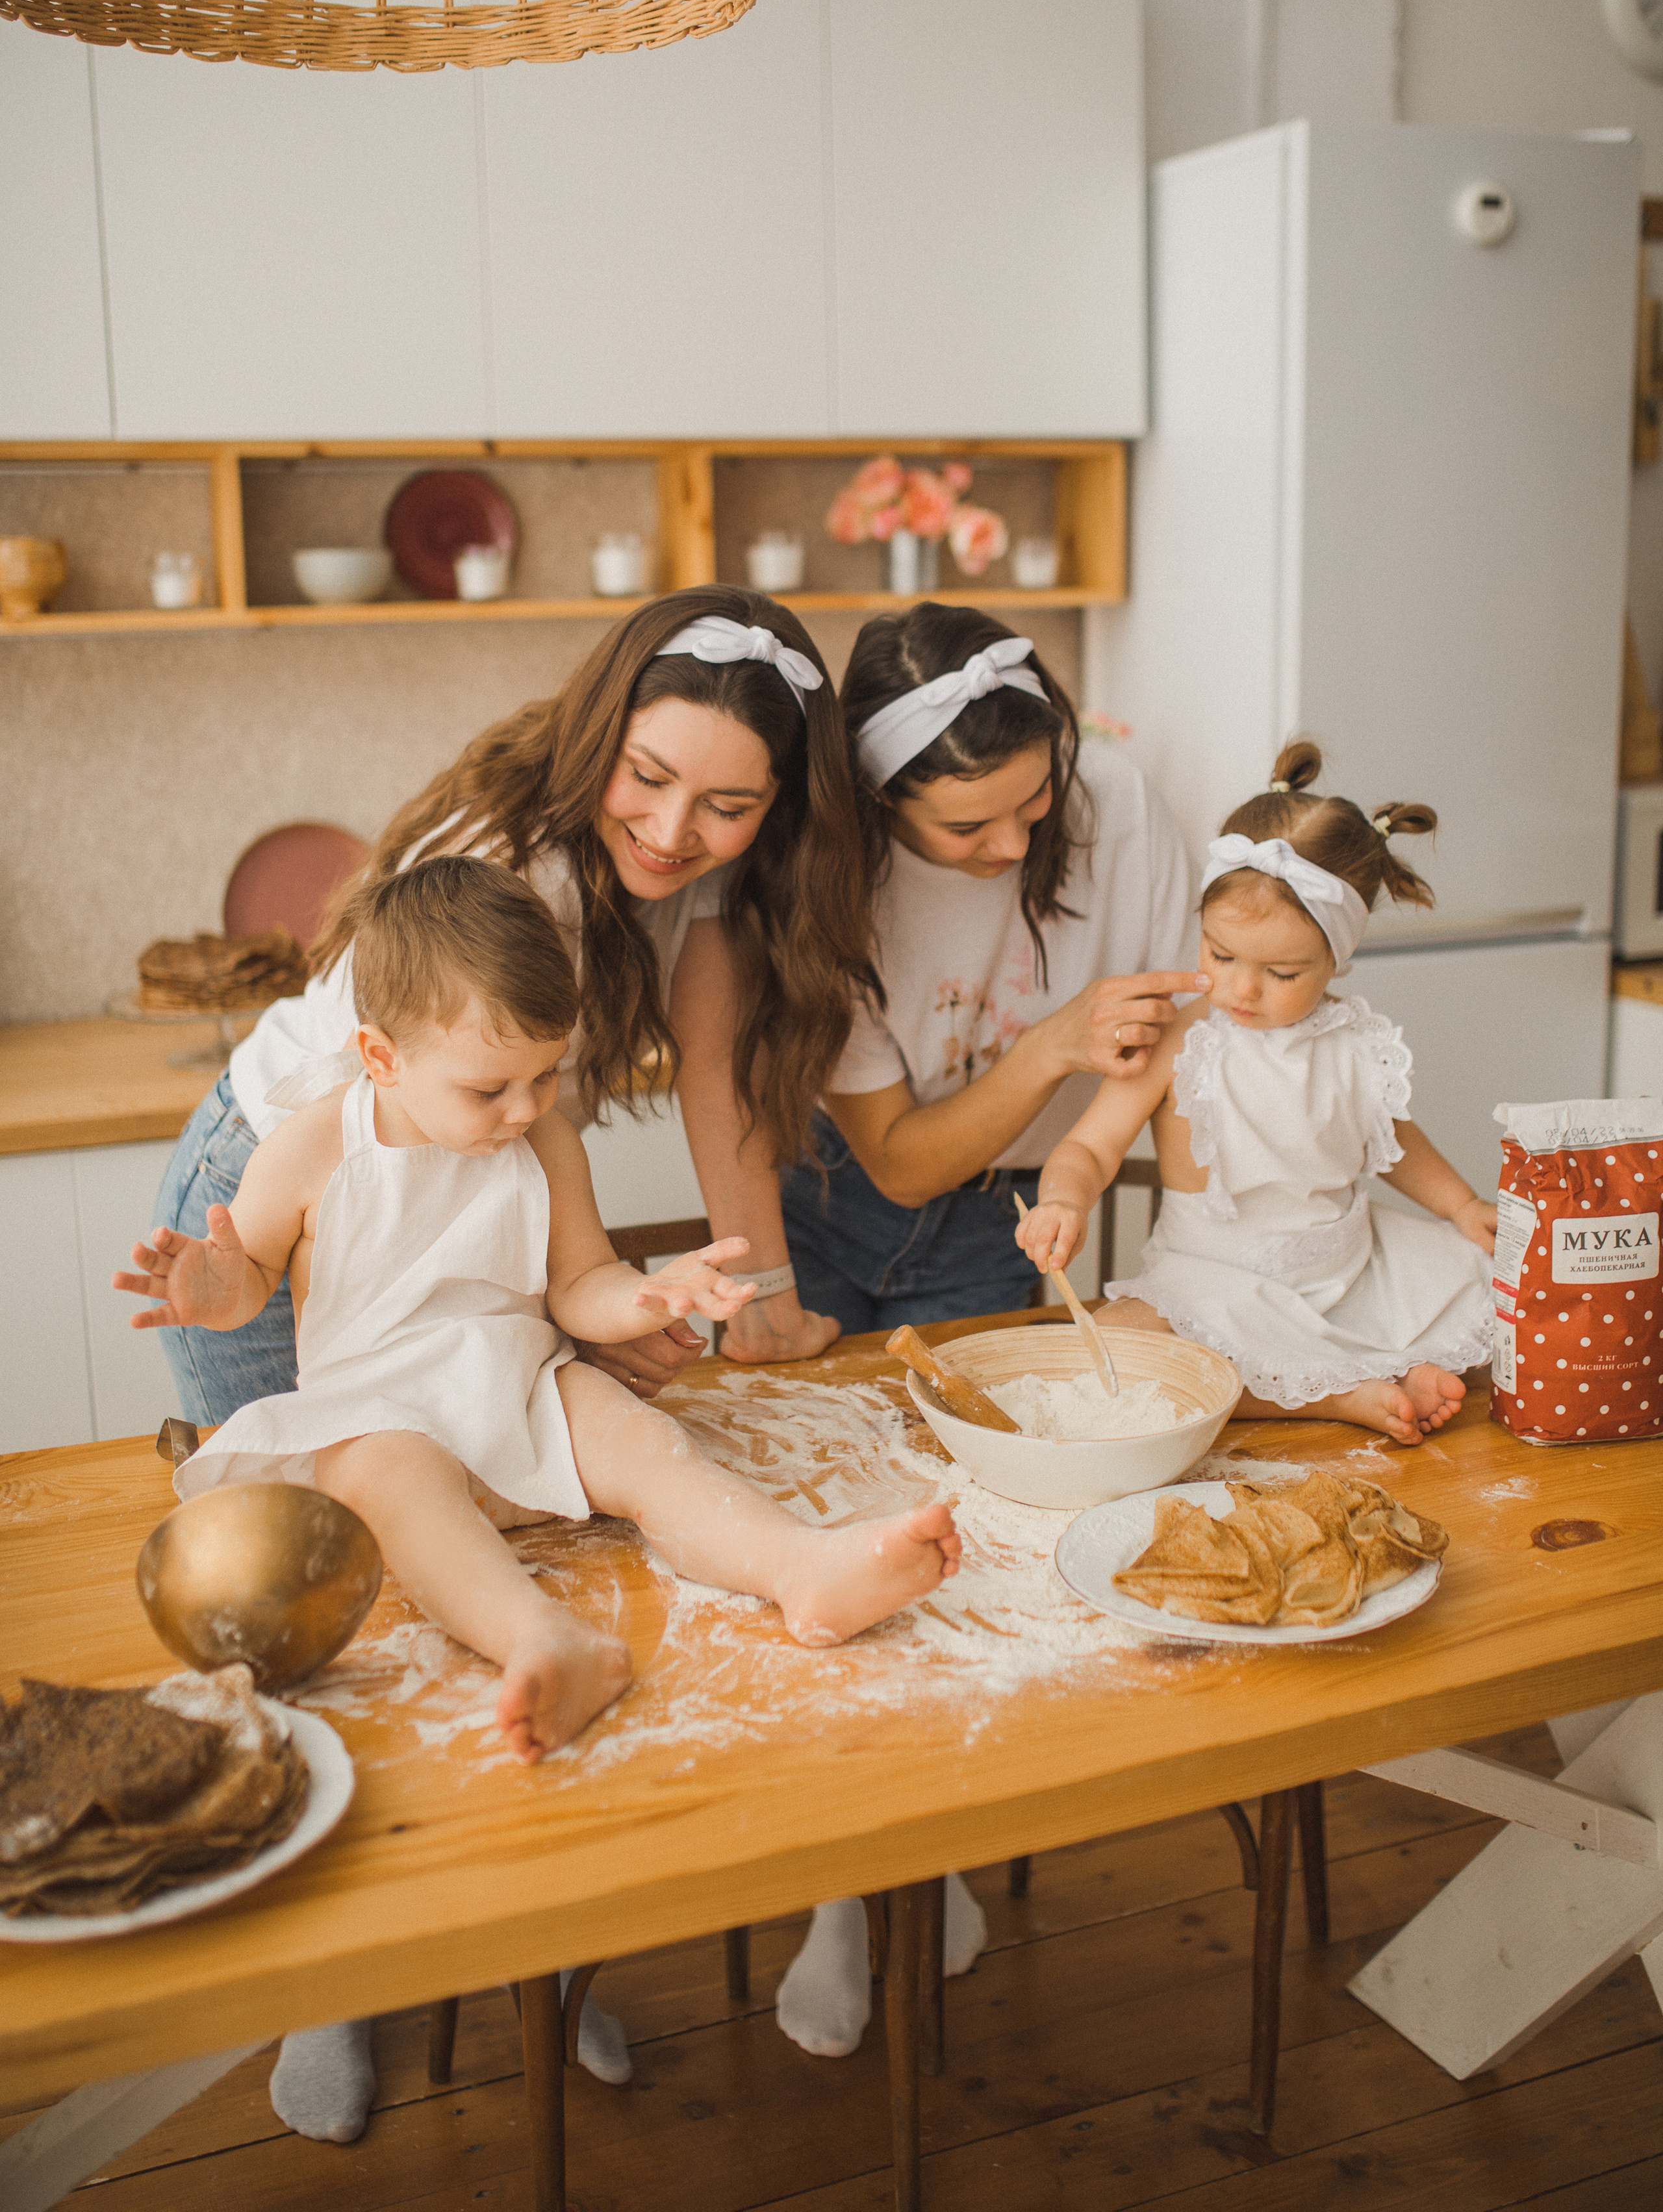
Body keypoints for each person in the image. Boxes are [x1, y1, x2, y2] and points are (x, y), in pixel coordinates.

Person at [119, 859, 961, 1748]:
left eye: (546, 1074)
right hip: (380, 1414)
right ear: (382, 1056)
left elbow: (579, 1285)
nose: (525, 1109)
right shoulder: (314, 1143)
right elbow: (247, 1277)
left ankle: (802, 1567)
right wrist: (217, 1287)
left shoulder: (544, 1139)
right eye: (491, 1088)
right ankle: (543, 1639)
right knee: (387, 1484)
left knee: (644, 1442)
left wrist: (646, 1294)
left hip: (522, 1389)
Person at [772, 605, 1205, 2059]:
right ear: (879, 802)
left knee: (956, 1546)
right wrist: (1048, 1043)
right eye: (967, 827)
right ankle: (843, 1879)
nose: (1016, 846)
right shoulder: (821, 881)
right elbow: (897, 1158)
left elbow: (1156, 1040)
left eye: (1035, 803)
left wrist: (1079, 1163)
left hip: (1004, 1215)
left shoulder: (1120, 807)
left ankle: (926, 1856)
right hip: (835, 1201)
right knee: (826, 1535)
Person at [152, 586, 876, 1436]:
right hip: (284, 1183)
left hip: (462, 1171)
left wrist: (757, 1302)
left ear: (777, 804)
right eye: (647, 776)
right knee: (304, 1511)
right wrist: (573, 1313)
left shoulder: (715, 878)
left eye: (728, 808)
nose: (673, 830)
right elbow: (412, 1158)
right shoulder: (511, 866)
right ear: (601, 733)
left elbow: (715, 1071)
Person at [1015, 742, 1496, 1443]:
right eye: (1220, 955)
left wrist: (1461, 1205)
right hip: (1213, 1287)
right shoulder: (1180, 1040)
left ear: (1336, 958)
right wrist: (1064, 1198)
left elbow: (1391, 1143)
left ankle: (1373, 1367)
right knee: (1114, 1348)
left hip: (1349, 1279)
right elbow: (1090, 1146)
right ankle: (1345, 1392)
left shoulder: (1355, 1043)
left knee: (1503, 1280)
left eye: (1281, 971)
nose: (1242, 989)